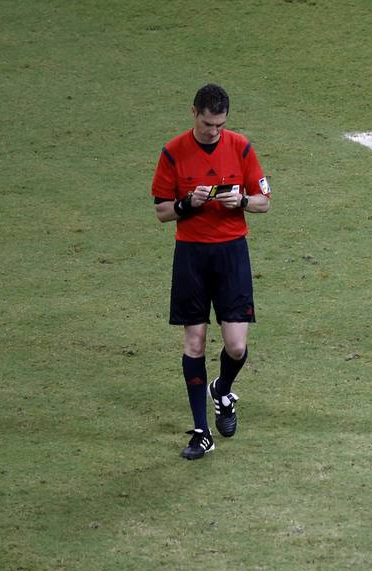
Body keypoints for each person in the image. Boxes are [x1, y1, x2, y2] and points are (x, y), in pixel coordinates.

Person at [151, 83, 271, 460]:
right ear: (194, 114)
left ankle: (222, 389)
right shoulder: (172, 153)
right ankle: (201, 432)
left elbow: (265, 201)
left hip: (232, 254)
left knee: (236, 346)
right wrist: (188, 203)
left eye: (219, 125)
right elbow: (161, 210)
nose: (214, 131)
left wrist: (244, 201)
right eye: (207, 124)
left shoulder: (241, 147)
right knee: (195, 342)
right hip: (192, 256)